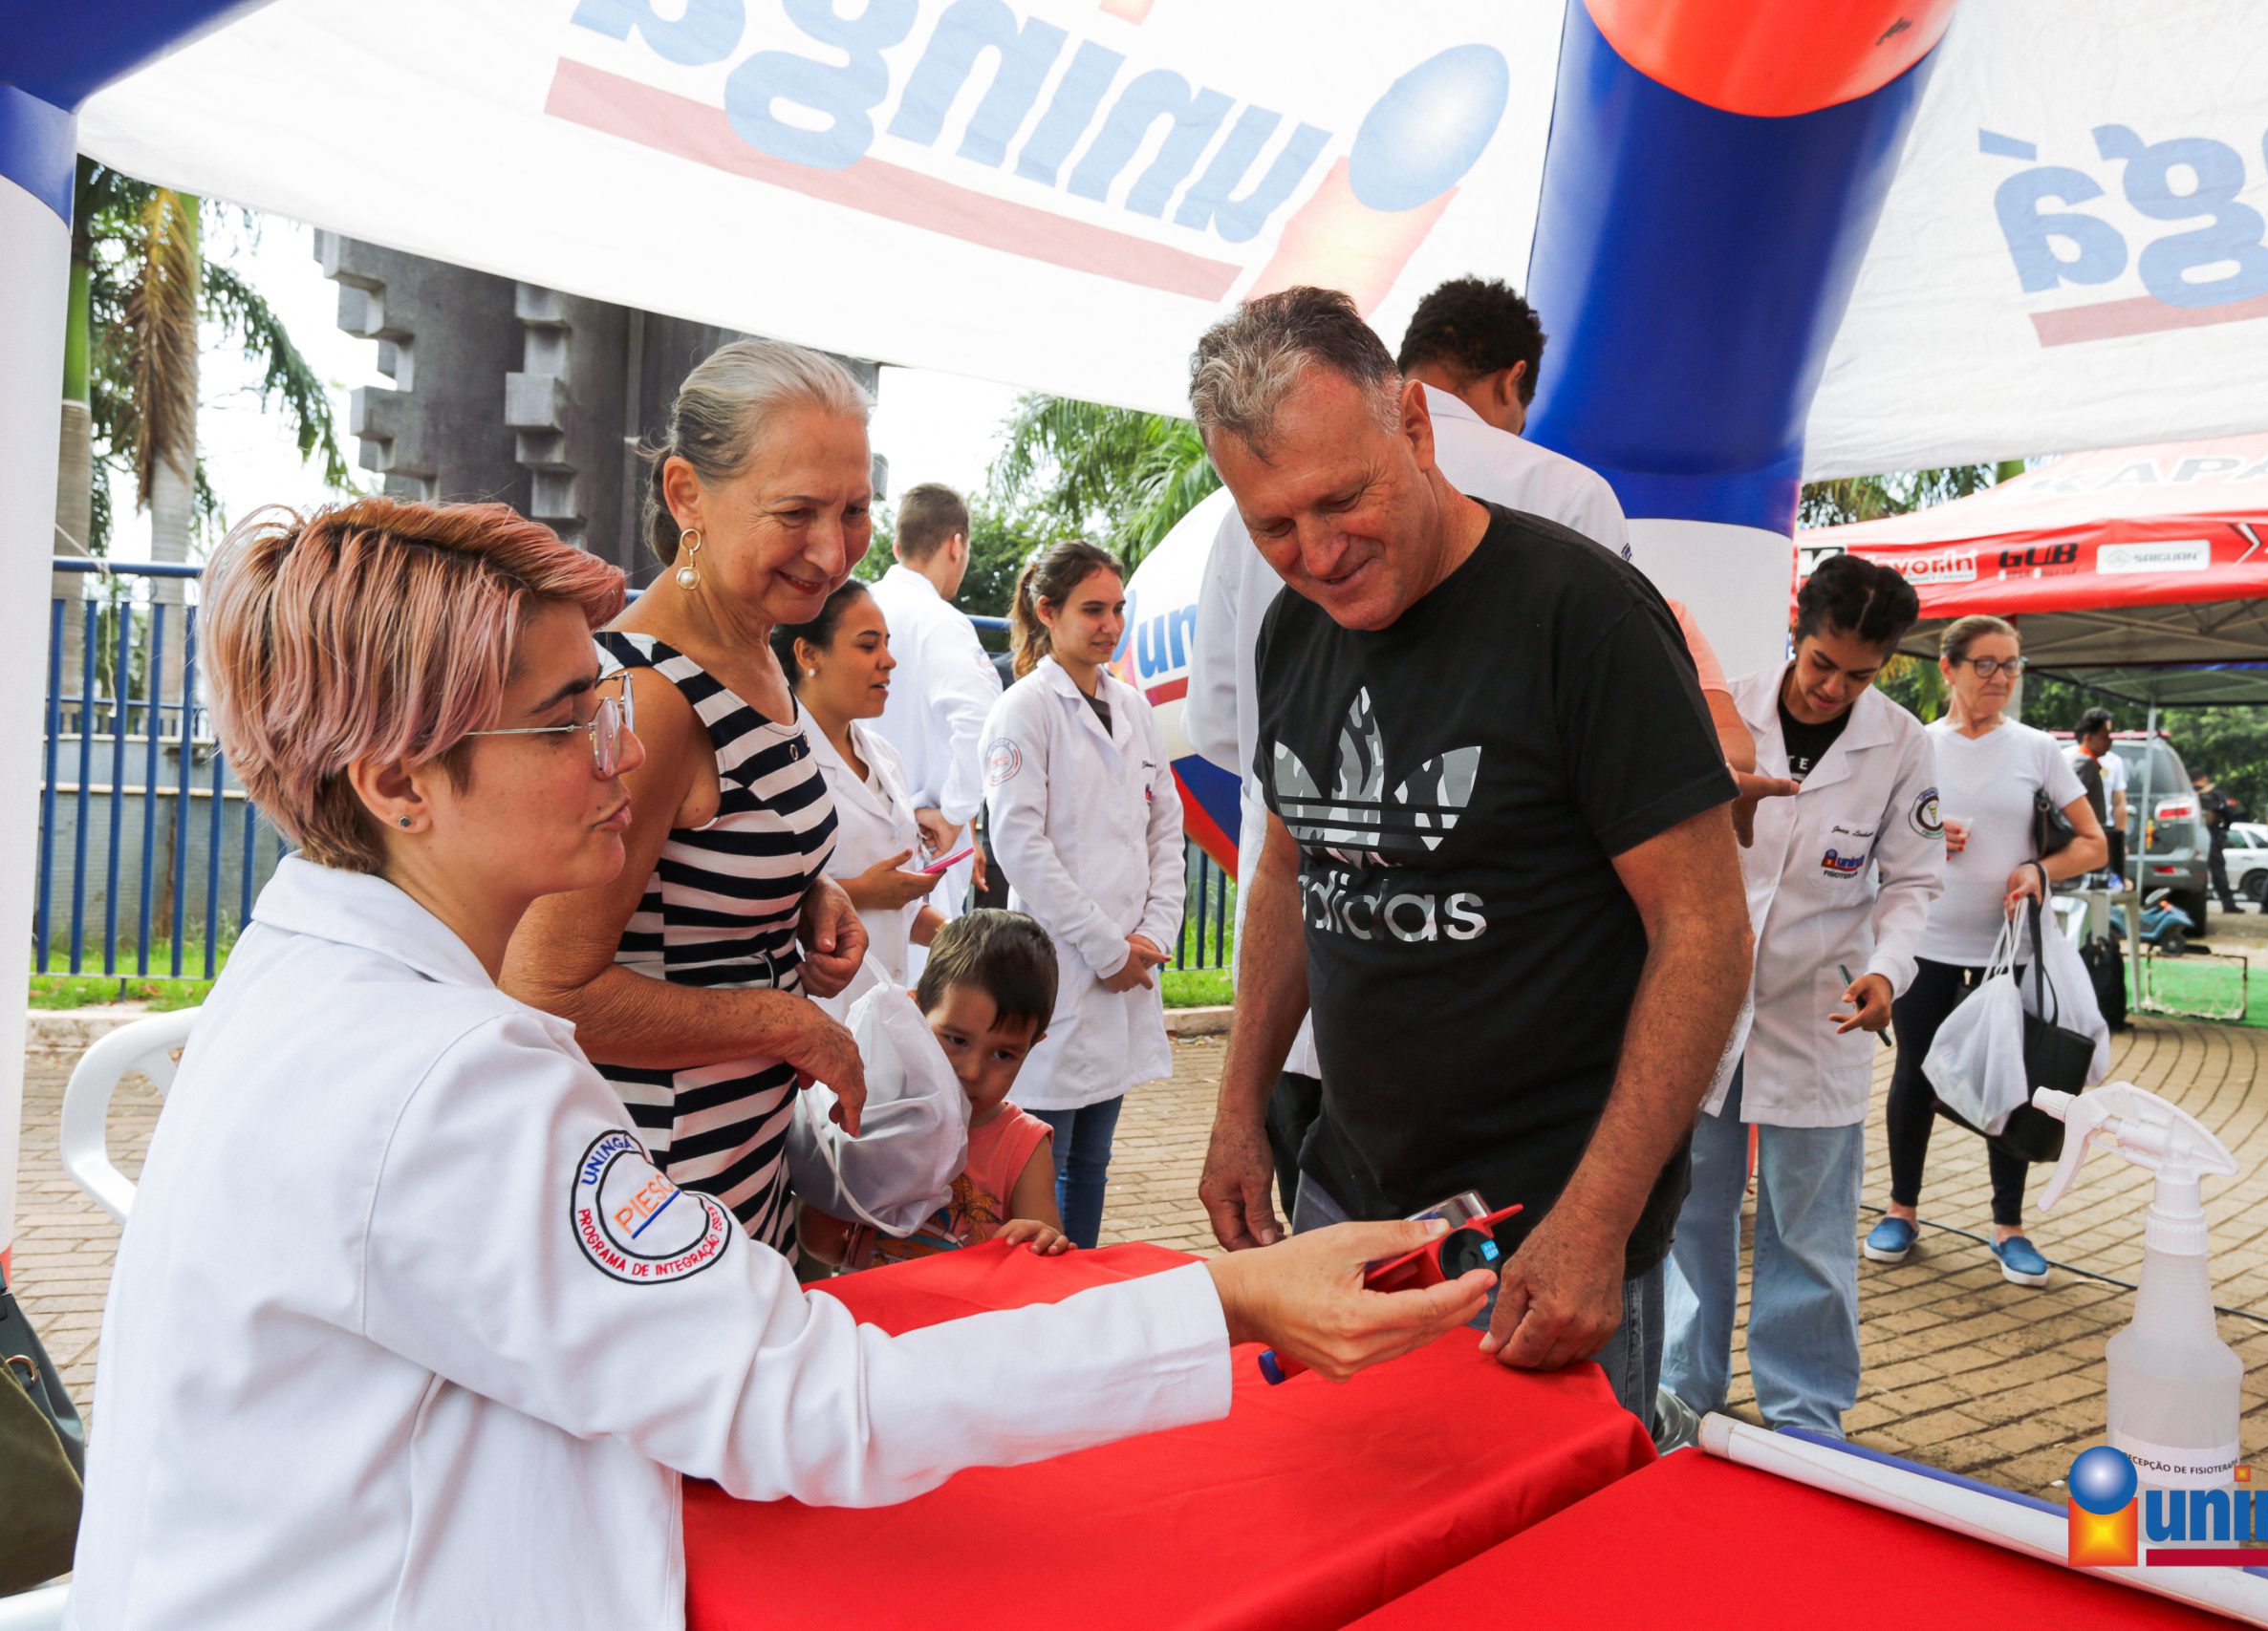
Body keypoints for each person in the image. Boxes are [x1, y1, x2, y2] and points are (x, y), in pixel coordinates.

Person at [67, 498, 1492, 1630]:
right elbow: (812, 1398)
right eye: (566, 719)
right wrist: (1229, 1300)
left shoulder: (308, 975)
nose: (619, 753)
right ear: (397, 784)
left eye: (605, 701)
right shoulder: (445, 1078)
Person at [1189, 287, 1754, 1426]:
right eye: (1273, 527)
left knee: (1553, 1532)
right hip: (1349, 1202)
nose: (1318, 554)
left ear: (1413, 425)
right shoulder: (1292, 627)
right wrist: (1239, 1106)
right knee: (1350, 1507)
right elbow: (1292, 871)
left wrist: (1597, 1219)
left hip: (1544, 1231)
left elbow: (1704, 930)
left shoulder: (1581, 617)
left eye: (1341, 500)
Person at [502, 340, 876, 1254]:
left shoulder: (756, 650)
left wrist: (798, 891)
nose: (833, 552)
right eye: (796, 513)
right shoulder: (649, 695)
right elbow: (546, 985)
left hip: (742, 1168)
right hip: (660, 1192)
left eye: (855, 511)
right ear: (686, 495)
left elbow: (699, 848)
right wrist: (787, 1022)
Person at [1662, 555, 1941, 1438]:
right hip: (1706, 1004)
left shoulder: (1902, 744)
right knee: (1688, 1212)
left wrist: (1888, 970)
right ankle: (1682, 1390)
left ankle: (1806, 1413)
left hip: (1822, 1012)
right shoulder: (1721, 712)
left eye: (1859, 674)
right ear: (1798, 629)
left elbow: (1915, 881)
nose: (1833, 688)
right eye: (1823, 663)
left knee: (1810, 1230)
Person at [1868, 614, 2105, 1289]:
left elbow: (2094, 844)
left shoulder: (2036, 748)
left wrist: (2038, 869)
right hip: (1928, 943)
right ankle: (1901, 1210)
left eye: (2011, 665)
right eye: (1986, 664)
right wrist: (1920, 839)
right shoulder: (1917, 744)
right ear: (1948, 667)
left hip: (2011, 949)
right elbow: (1875, 835)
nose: (2001, 678)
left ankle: (2009, 1227)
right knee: (1914, 1074)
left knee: (2017, 1079)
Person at [983, 540, 1186, 1247]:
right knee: (1047, 1155)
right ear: (1047, 611)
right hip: (1062, 967)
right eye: (1093, 609)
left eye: (1118, 609)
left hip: (1128, 966)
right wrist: (1106, 947)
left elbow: (1165, 827)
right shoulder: (1024, 710)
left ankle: (1087, 1287)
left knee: (1094, 1161)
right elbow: (1020, 846)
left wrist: (1154, 933)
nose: (1111, 626)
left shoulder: (1131, 707)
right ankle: (1044, 1297)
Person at [808, 911, 1072, 1269]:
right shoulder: (879, 1117)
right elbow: (823, 1243)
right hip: (869, 1304)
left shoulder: (1023, 1146)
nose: (972, 1071)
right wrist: (836, 1177)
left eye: (1004, 1054)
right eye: (956, 1040)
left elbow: (1046, 1263)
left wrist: (1041, 1241)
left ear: (1033, 1045)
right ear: (914, 1013)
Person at [771, 578, 942, 1015]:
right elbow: (751, 895)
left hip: (886, 1005)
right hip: (814, 1004)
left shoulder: (884, 757)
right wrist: (863, 892)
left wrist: (966, 937)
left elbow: (898, 906)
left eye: (886, 644)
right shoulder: (773, 759)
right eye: (868, 646)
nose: (889, 660)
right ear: (808, 654)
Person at [871, 483, 1004, 918]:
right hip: (921, 844)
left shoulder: (855, 608)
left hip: (847, 837)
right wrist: (954, 811)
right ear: (956, 545)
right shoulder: (940, 622)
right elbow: (985, 722)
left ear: (897, 548)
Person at [2067, 707, 2125, 881]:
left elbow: (2119, 802)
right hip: (2083, 838)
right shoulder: (2083, 763)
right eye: (2104, 736)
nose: (2109, 741)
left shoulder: (2092, 762)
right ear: (2088, 738)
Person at [2195, 768, 2241, 913]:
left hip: (2191, 837)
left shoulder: (2183, 791)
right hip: (2211, 835)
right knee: (2218, 872)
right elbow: (2227, 814)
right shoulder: (2213, 794)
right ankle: (2228, 904)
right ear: (2204, 778)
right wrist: (2224, 827)